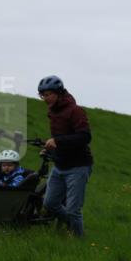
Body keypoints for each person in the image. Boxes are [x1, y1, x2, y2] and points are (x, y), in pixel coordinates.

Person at [38, 75, 93, 236]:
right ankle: (72, 225)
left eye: (48, 94)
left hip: (78, 166)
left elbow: (85, 137)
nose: (45, 98)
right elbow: (62, 138)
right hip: (60, 165)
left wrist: (57, 141)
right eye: (42, 95)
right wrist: (50, 150)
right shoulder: (53, 112)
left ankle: (79, 241)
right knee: (50, 204)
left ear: (58, 93)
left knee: (73, 210)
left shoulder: (75, 111)